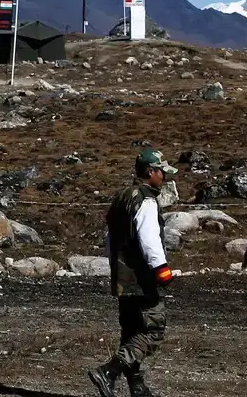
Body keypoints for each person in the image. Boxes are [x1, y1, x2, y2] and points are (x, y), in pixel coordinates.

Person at [87, 148, 177, 397]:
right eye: (161, 172)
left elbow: (110, 239)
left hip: (122, 276)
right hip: (141, 277)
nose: (164, 177)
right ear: (150, 172)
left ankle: (137, 386)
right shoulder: (145, 199)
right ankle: (108, 372)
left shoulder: (122, 197)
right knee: (152, 331)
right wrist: (162, 269)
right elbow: (149, 238)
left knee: (131, 331)